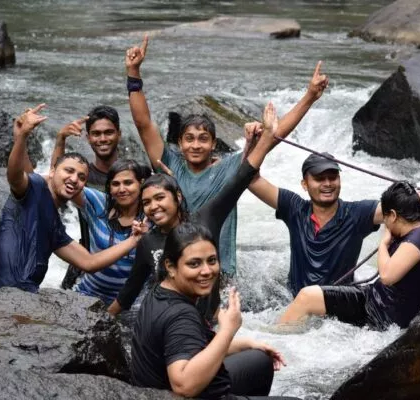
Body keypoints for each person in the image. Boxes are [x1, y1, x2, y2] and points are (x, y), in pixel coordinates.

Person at [125, 34, 328, 277]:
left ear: (213, 144)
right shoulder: (169, 165)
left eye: (203, 139)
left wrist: (310, 96)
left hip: (218, 272)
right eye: (189, 139)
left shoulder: (230, 168)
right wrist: (133, 73)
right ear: (179, 144)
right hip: (176, 271)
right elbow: (143, 123)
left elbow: (272, 137)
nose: (196, 145)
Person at [108, 102, 281, 321]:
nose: (154, 206)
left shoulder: (204, 223)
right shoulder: (147, 242)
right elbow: (128, 293)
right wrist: (100, 320)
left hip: (202, 324)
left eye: (160, 198)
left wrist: (266, 136)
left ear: (177, 197)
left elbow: (243, 176)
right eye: (147, 202)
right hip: (165, 323)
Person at [248, 146, 420, 296]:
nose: (328, 184)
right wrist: (256, 142)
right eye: (320, 179)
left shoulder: (356, 213)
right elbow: (251, 179)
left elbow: (412, 205)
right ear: (305, 184)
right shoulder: (294, 207)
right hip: (294, 300)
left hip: (335, 305)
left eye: (333, 177)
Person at [276, 179, 420, 330]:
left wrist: (383, 243)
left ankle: (277, 337)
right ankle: (279, 333)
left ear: (393, 215)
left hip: (381, 315)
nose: (385, 223)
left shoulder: (418, 239)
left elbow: (387, 276)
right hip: (374, 299)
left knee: (306, 297)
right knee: (308, 296)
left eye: (386, 218)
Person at [0, 105, 147, 293]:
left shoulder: (56, 230)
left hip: (27, 301)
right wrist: (22, 136)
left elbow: (89, 262)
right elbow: (15, 176)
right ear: (52, 170)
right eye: (69, 171)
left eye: (81, 177)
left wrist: (134, 240)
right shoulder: (33, 188)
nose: (74, 179)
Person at [131, 223, 299, 400]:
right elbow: (183, 386)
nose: (207, 271)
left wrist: (247, 343)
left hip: (154, 392)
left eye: (212, 260)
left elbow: (193, 348)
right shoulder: (181, 315)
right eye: (194, 264)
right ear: (171, 267)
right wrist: (228, 330)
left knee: (260, 360)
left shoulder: (159, 292)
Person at [51, 106, 124, 289]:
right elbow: (55, 183)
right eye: (96, 134)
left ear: (119, 134)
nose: (103, 139)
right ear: (88, 137)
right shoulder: (82, 176)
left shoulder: (131, 175)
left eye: (108, 132)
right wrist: (61, 139)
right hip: (85, 262)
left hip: (125, 264)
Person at [69, 159, 152, 304]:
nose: (121, 189)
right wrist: (61, 141)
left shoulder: (152, 217)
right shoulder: (98, 203)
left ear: (141, 183)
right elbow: (64, 183)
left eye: (128, 183)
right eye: (115, 184)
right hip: (88, 292)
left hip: (131, 303)